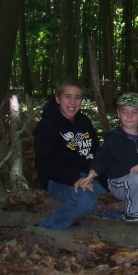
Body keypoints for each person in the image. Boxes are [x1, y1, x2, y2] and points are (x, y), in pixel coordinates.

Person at [34, 76, 110, 231]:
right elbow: (44, 163)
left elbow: (95, 155)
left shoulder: (85, 122)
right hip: (58, 180)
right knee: (86, 200)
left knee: (111, 203)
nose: (72, 102)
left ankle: (109, 236)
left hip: (86, 178)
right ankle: (44, 231)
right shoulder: (46, 126)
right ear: (57, 98)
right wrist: (73, 178)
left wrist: (104, 182)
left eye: (77, 97)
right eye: (67, 97)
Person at [80, 92, 138, 228]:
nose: (129, 116)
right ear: (119, 114)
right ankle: (131, 220)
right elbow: (102, 157)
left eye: (134, 112)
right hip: (118, 184)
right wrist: (93, 172)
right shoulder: (113, 138)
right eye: (125, 112)